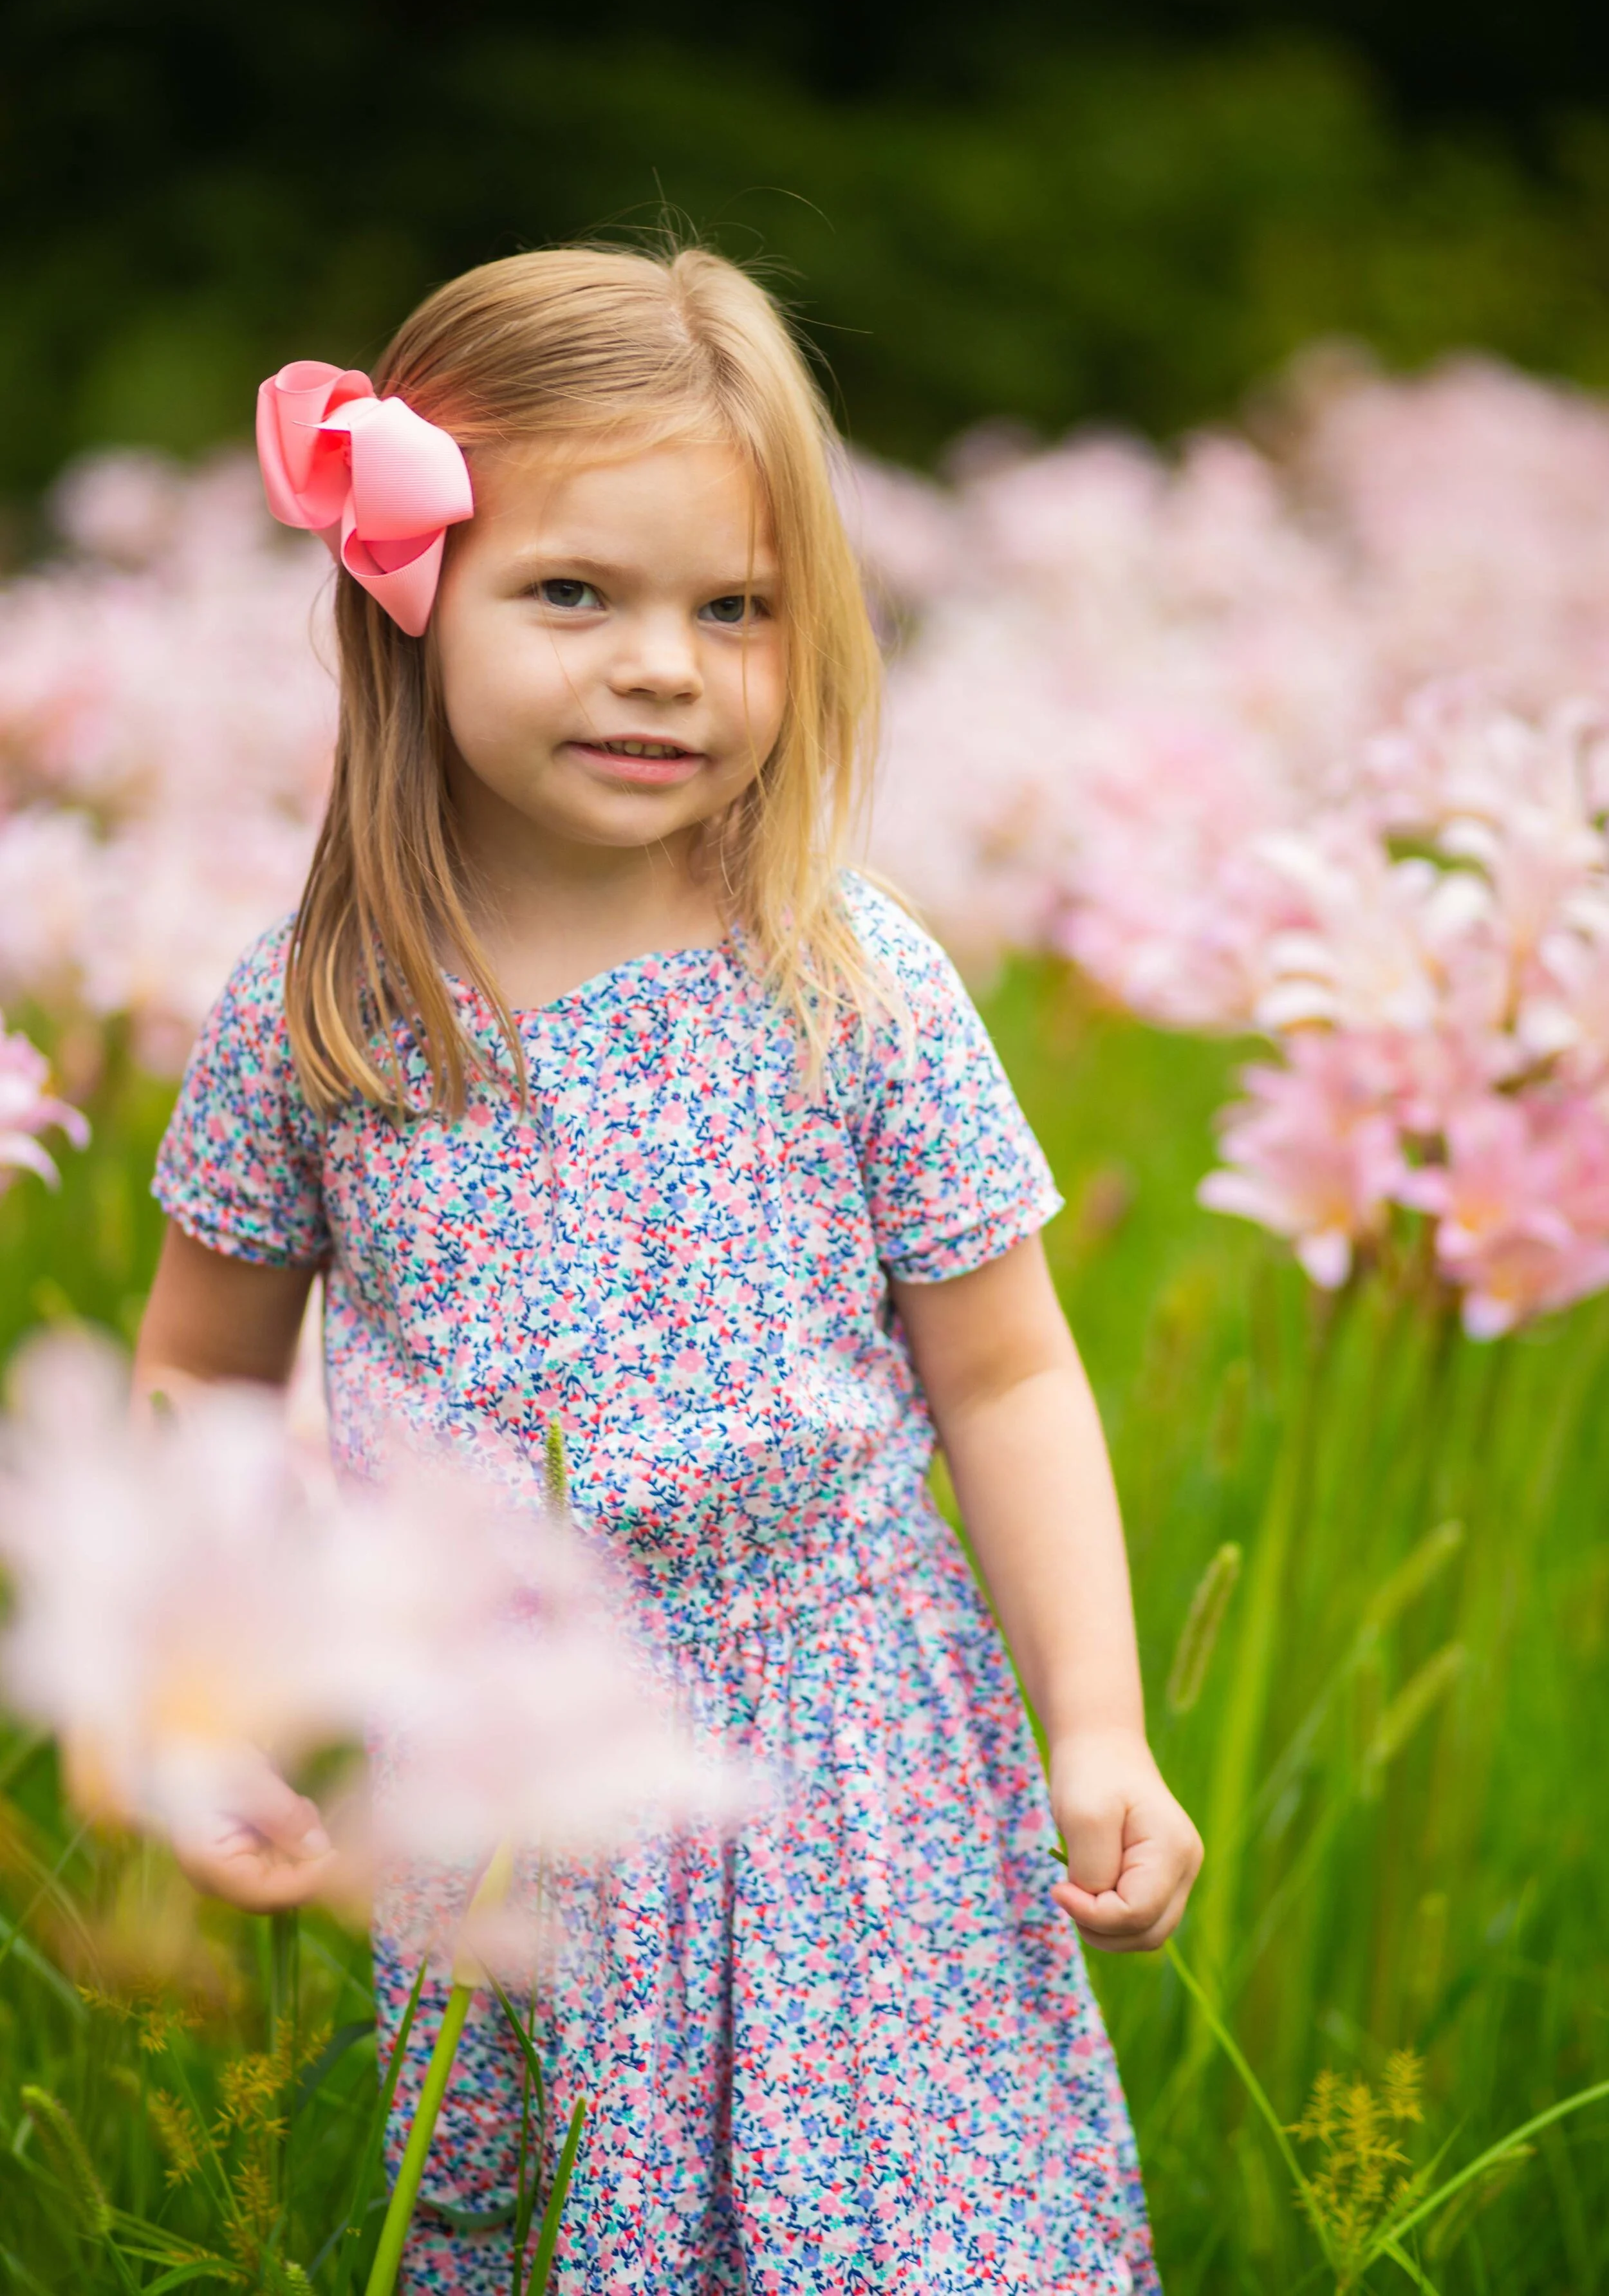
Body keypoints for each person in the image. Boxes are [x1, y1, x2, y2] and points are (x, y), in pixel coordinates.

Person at [136, 244, 1202, 2295]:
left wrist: (1097, 1722)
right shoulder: (321, 1015)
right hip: (507, 1782)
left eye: (737, 610)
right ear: (407, 590)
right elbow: (199, 1367)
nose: (664, 668)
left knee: (915, 2237)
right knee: (553, 2232)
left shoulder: (848, 979)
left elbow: (1004, 1374)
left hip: (856, 1753)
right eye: (577, 595)